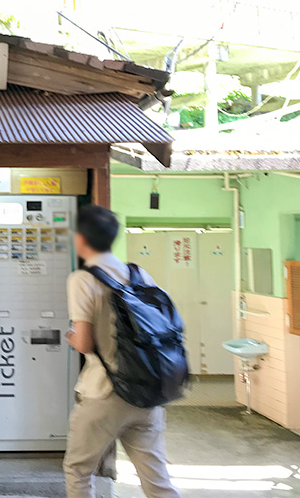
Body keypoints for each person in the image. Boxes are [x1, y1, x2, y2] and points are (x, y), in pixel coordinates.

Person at [63, 205, 181, 498]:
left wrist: (70, 336)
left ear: (81, 238)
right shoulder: (140, 274)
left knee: (78, 471)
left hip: (104, 394)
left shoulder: (83, 279)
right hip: (147, 393)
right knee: (157, 481)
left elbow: (85, 343)